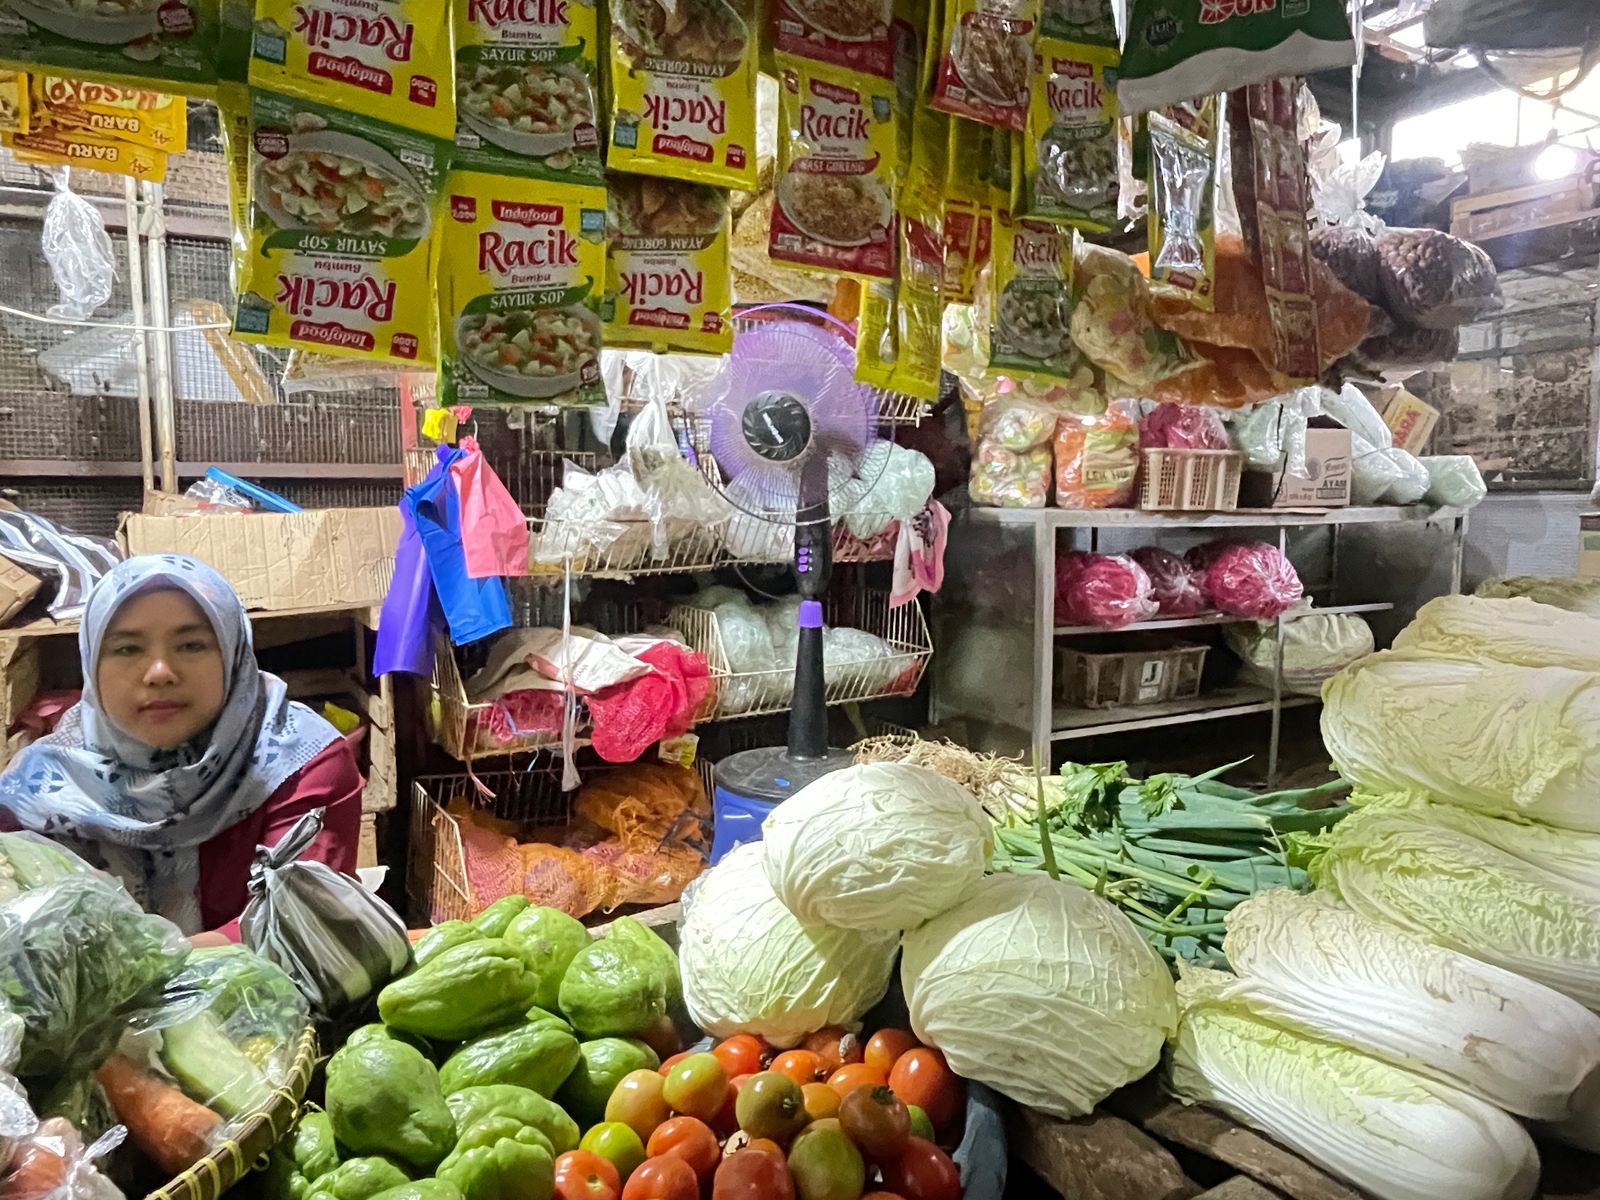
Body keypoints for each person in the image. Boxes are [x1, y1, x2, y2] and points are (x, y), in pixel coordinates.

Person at [0, 554, 362, 935]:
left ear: (232, 653)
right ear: (91, 663)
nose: (160, 673)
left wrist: (128, 964)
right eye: (127, 648)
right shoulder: (35, 791)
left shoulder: (299, 763)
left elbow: (300, 929)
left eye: (191, 645)